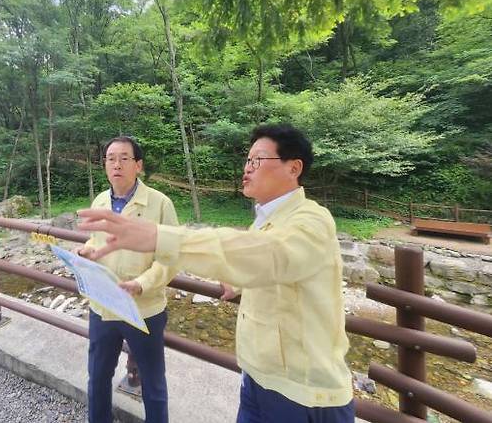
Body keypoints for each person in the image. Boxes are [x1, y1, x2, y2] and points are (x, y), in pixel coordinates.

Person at [77, 124, 354, 423]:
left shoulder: (313, 220)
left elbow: (271, 254)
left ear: (294, 168)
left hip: (304, 394)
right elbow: (260, 261)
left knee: (153, 385)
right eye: (247, 160)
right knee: (97, 376)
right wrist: (236, 280)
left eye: (257, 160)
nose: (247, 168)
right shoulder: (263, 222)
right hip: (256, 379)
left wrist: (161, 239)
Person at [77, 136, 178, 423]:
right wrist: (86, 252)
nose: (116, 164)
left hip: (144, 310)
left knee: (153, 384)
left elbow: (171, 258)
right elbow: (97, 243)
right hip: (104, 306)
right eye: (110, 158)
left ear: (139, 165)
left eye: (124, 158)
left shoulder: (159, 204)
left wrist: (142, 283)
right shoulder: (100, 200)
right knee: (97, 377)